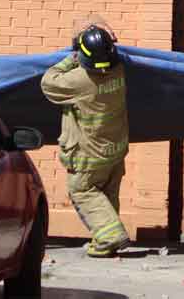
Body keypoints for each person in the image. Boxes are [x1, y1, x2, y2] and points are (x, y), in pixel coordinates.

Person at [40, 24, 130, 257]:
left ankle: (111, 236)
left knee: (82, 190)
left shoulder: (79, 80)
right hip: (115, 149)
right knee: (107, 195)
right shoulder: (119, 70)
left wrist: (70, 59)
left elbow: (48, 82)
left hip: (90, 154)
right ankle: (104, 242)